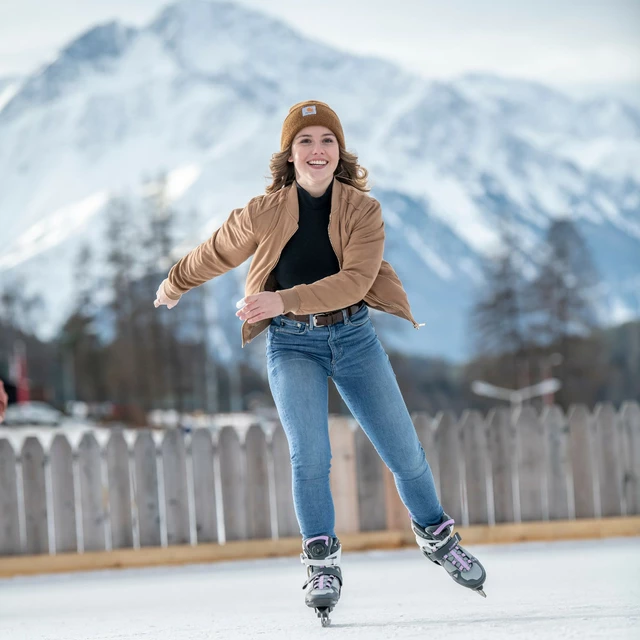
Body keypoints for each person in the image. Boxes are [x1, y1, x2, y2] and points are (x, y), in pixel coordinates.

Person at [154, 100, 486, 624]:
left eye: (326, 140)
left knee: (404, 451)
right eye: (305, 141)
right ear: (289, 154)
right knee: (310, 457)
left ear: (339, 151)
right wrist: (174, 283)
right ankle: (322, 564)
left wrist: (282, 299)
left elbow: (355, 280)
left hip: (354, 339)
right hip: (291, 346)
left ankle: (438, 536)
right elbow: (217, 250)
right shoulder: (264, 210)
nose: (317, 150)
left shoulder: (362, 210)